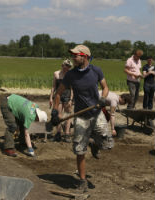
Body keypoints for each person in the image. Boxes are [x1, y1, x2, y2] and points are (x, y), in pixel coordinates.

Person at [51, 44, 113, 193]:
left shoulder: (96, 71)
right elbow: (58, 93)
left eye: (75, 55)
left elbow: (105, 87)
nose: (73, 58)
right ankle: (82, 181)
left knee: (108, 144)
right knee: (79, 150)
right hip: (80, 116)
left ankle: (95, 144)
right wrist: (55, 111)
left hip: (96, 113)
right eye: (72, 55)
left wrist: (103, 98)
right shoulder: (71, 75)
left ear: (84, 56)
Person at [49, 59, 73, 142]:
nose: (67, 68)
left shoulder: (70, 75)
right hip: (58, 97)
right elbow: (53, 87)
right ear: (62, 65)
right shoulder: (56, 74)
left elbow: (72, 88)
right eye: (66, 66)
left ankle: (67, 134)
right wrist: (51, 98)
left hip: (67, 96)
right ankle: (58, 134)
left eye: (69, 67)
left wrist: (71, 99)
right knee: (58, 115)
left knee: (67, 116)